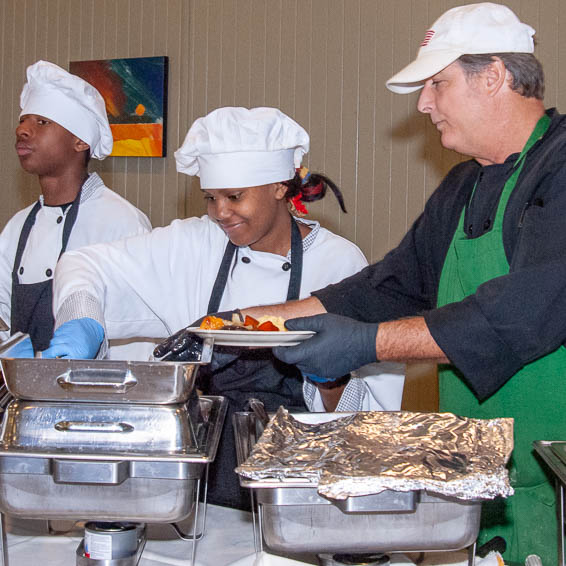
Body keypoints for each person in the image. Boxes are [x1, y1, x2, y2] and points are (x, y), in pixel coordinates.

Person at [166, 4, 564, 563]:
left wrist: (366, 343)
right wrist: (231, 325)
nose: (425, 104)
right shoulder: (464, 185)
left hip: (555, 471)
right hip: (483, 478)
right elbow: (387, 287)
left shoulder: (561, 165)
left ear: (494, 76)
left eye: (436, 84)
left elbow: (525, 309)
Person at [41, 106, 404, 509]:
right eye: (211, 198)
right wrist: (80, 321)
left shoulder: (339, 264)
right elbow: (83, 264)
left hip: (299, 494)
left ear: (280, 187)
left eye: (235, 197)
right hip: (201, 490)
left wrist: (330, 381)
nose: (221, 213)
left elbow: (373, 423)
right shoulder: (194, 245)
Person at [0, 60, 151, 356]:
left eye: (42, 122)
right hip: (24, 396)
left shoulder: (121, 223)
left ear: (80, 140)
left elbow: (138, 339)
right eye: (24, 120)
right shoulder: (18, 226)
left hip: (99, 398)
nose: (23, 130)